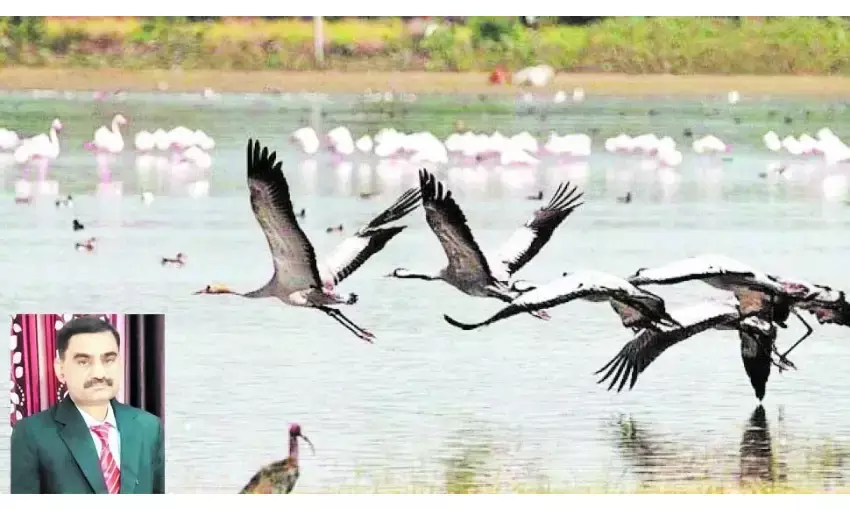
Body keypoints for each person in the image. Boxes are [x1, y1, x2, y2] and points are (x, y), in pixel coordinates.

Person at [10, 315, 165, 494]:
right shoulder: (31, 434)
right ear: (60, 369)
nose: (99, 373)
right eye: (83, 362)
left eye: (108, 360)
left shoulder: (149, 427)